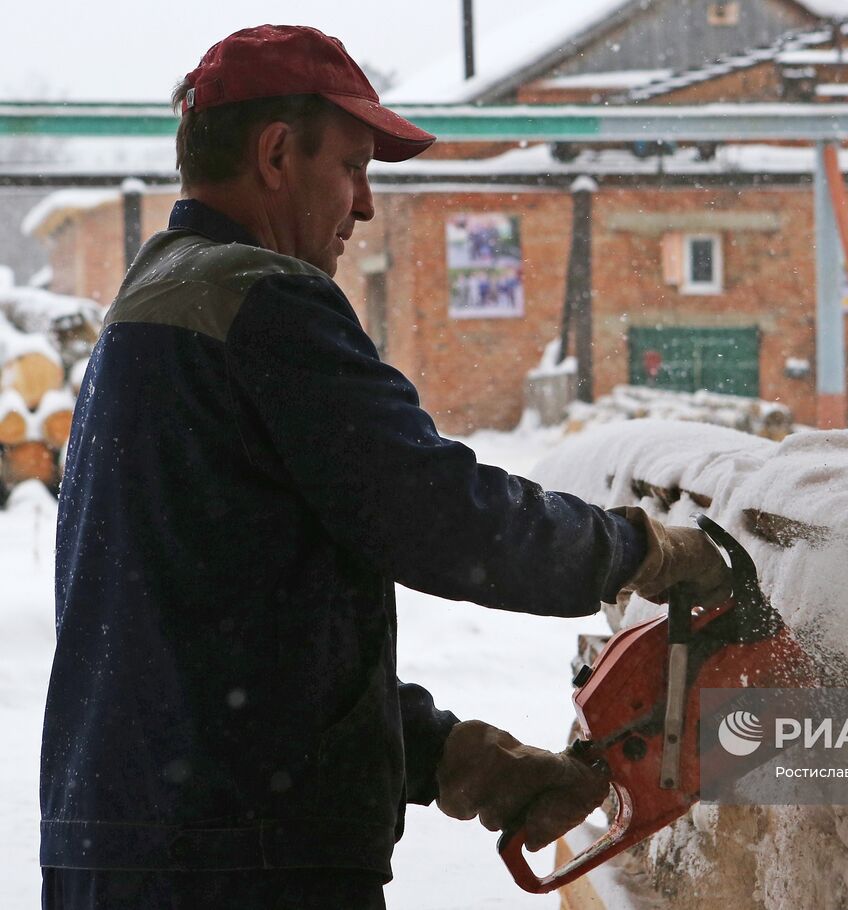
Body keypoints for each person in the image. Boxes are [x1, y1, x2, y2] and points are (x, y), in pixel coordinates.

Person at [39, 25, 731, 910]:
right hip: (237, 864)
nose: (365, 206)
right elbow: (440, 514)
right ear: (277, 153)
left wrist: (451, 758)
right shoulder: (265, 302)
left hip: (140, 840)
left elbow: (216, 627)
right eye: (354, 166)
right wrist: (639, 555)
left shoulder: (149, 311)